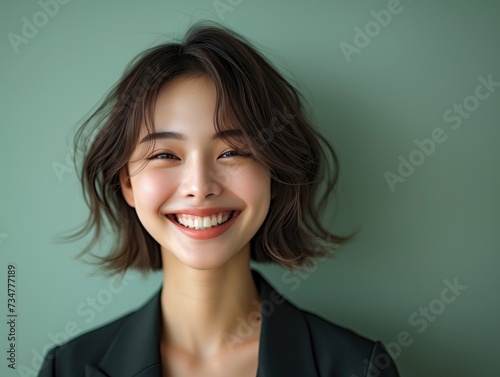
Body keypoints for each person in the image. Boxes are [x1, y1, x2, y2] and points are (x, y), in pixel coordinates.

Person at [38, 21, 400, 377]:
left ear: (274, 174)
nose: (199, 186)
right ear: (127, 184)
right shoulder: (65, 368)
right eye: (165, 155)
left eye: (233, 152)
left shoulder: (359, 368)